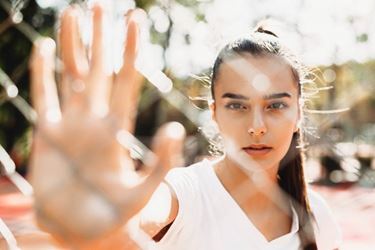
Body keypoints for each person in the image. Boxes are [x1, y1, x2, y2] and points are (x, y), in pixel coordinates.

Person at [28, 3, 342, 250]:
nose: (257, 127)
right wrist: (102, 221)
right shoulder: (185, 194)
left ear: (299, 113)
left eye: (275, 106)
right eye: (237, 106)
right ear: (215, 113)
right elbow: (143, 218)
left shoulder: (320, 218)